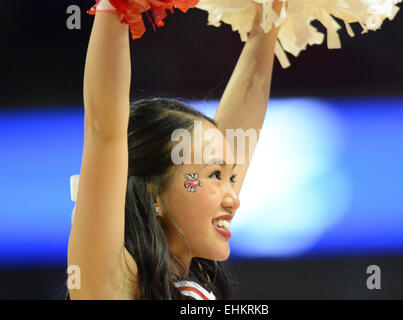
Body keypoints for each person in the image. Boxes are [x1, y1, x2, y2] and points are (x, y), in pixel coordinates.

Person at [67, 0, 283, 300]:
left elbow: (244, 119)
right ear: (155, 194)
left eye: (231, 177)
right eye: (215, 175)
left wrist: (270, 17)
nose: (234, 199)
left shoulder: (186, 275)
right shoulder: (113, 283)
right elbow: (103, 131)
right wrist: (115, 7)